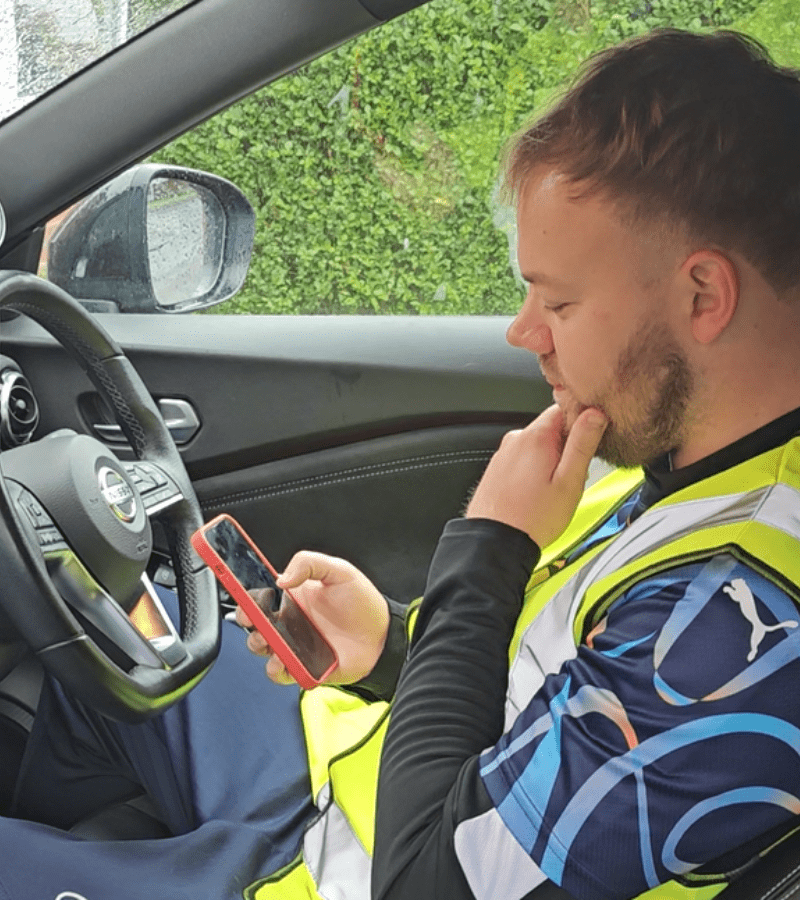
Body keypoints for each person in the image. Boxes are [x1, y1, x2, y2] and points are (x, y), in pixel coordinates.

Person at [6, 24, 800, 900]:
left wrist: (489, 548)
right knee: (103, 624)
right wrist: (392, 644)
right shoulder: (692, 456)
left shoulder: (737, 633)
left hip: (334, 878)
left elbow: (425, 884)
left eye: (562, 302)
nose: (523, 333)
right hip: (338, 777)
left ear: (704, 295)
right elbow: (544, 684)